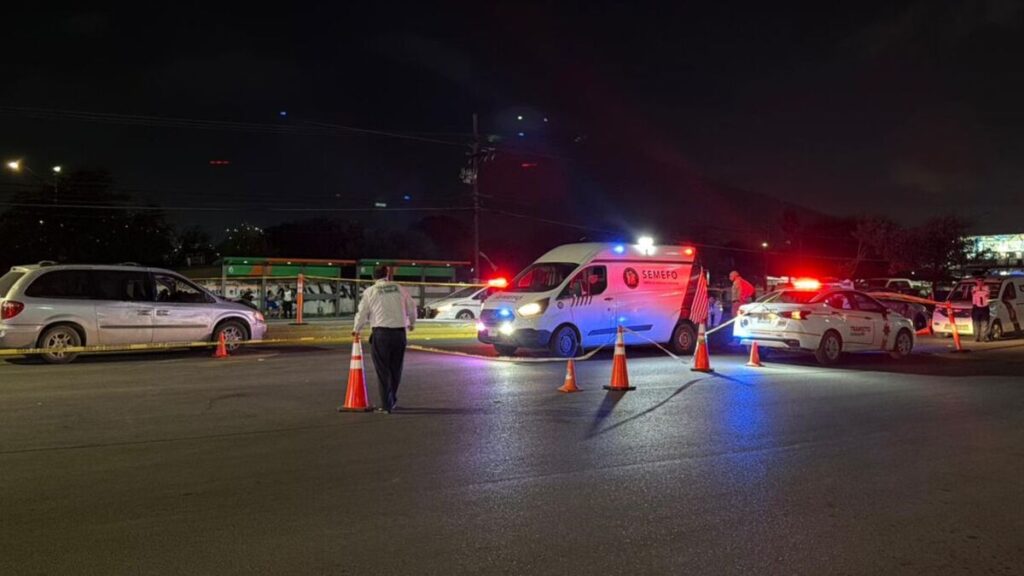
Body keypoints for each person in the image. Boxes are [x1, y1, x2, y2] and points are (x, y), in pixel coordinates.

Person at [353, 266, 417, 413]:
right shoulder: (399, 288)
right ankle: (392, 400)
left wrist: (356, 329)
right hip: (400, 333)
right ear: (387, 275)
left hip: (381, 334)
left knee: (383, 370)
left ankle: (386, 405)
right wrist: (412, 323)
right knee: (396, 368)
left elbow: (362, 312)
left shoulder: (370, 291)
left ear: (373, 277)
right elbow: (412, 306)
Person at [971, 278, 991, 342]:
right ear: (976, 281)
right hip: (976, 307)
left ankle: (984, 337)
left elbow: (988, 293)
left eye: (981, 280)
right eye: (978, 280)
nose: (980, 282)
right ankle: (976, 337)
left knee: (984, 323)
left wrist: (980, 289)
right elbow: (973, 292)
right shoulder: (974, 288)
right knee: (976, 323)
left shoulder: (987, 287)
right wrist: (979, 289)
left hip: (985, 307)